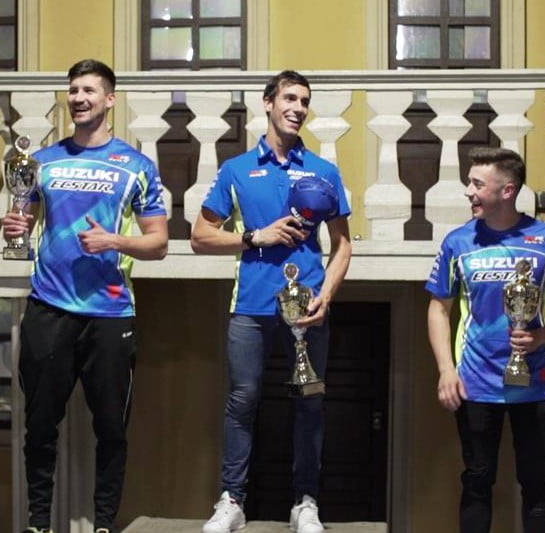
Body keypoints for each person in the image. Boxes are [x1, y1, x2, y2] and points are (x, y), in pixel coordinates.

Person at [1, 59, 169, 533]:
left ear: (109, 99)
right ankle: (38, 523)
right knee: (39, 426)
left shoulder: (136, 167)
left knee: (112, 430)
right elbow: (24, 220)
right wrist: (15, 227)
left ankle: (102, 524)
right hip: (49, 308)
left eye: (89, 90)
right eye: (73, 90)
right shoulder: (43, 162)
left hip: (110, 314)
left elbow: (159, 243)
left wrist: (112, 241)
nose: (78, 98)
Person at [191, 70, 352, 533]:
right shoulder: (237, 169)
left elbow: (343, 245)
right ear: (268, 102)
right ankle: (232, 500)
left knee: (309, 403)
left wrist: (326, 295)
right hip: (251, 306)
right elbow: (200, 236)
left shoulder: (323, 171)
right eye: (289, 98)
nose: (298, 108)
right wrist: (253, 236)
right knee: (242, 400)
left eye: (304, 101)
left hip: (308, 308)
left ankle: (305, 502)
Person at [425, 147, 545, 533]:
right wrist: (446, 370)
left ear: (507, 190)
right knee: (477, 481)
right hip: (475, 384)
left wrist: (542, 335)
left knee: (536, 483)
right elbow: (437, 309)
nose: (468, 191)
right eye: (469, 182)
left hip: (536, 385)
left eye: (477, 184)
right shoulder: (458, 242)